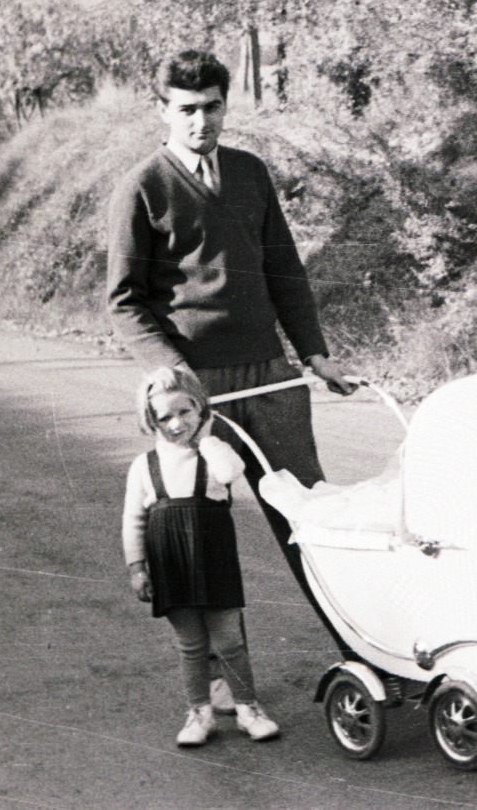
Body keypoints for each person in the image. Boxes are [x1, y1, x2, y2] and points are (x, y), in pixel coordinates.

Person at [105, 48, 359, 707]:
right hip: (195, 389)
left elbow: (283, 269)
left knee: (308, 513)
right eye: (186, 109)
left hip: (268, 372)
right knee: (202, 534)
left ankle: (363, 649)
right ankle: (222, 679)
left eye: (212, 106)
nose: (200, 122)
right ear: (162, 109)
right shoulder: (141, 187)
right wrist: (172, 372)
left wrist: (314, 352)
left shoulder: (248, 173)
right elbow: (125, 300)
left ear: (226, 104)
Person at [122, 366, 278, 746]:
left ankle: (247, 708)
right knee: (191, 645)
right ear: (151, 422)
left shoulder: (214, 454)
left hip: (214, 561)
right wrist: (137, 567)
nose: (177, 423)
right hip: (170, 565)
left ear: (201, 409)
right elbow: (133, 519)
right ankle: (199, 713)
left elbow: (230, 472)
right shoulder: (144, 466)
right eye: (165, 417)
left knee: (229, 642)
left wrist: (207, 438)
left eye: (185, 411)